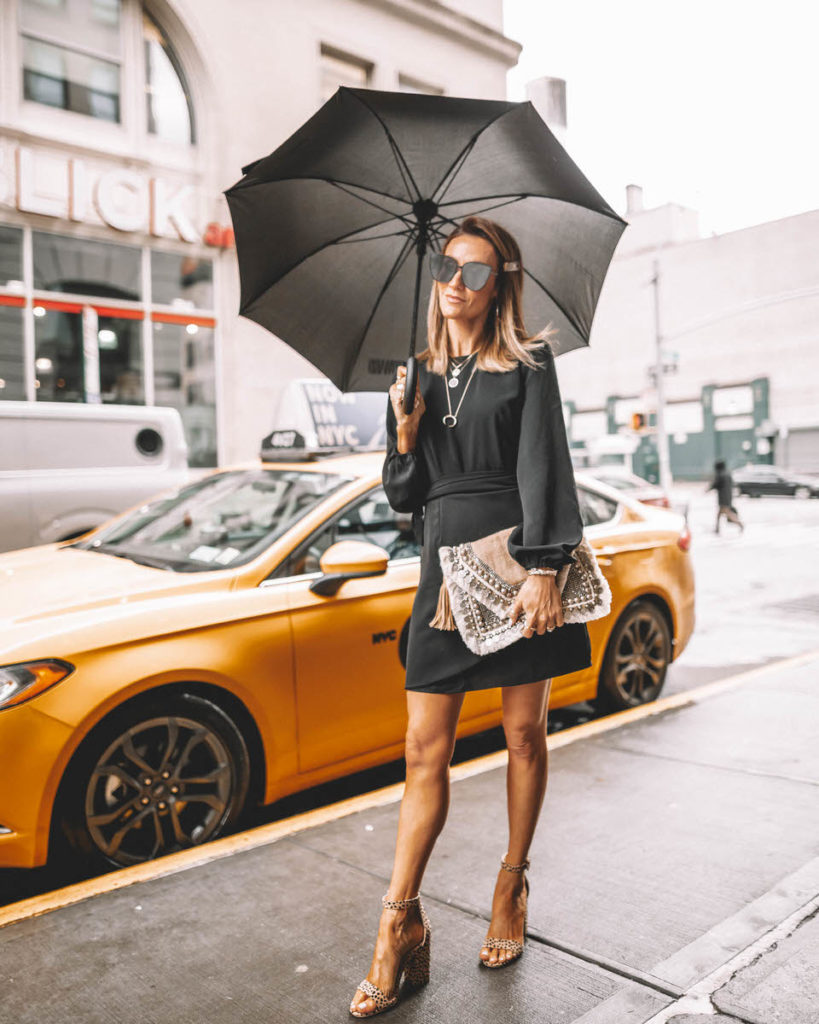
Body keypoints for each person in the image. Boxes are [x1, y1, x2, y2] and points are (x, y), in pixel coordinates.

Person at [349, 216, 592, 1017]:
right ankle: (399, 923)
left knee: (524, 734)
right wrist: (405, 438)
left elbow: (544, 463)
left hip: (515, 565)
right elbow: (406, 501)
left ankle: (510, 887)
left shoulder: (526, 364)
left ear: (500, 288)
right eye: (448, 267)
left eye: (477, 272)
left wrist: (545, 566)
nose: (457, 282)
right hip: (441, 577)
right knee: (424, 751)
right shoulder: (412, 374)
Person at [706, 458, 745, 534]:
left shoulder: (720, 475)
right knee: (719, 513)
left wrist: (708, 490)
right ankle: (717, 529)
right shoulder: (727, 474)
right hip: (728, 497)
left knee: (728, 513)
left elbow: (715, 484)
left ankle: (740, 524)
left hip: (723, 498)